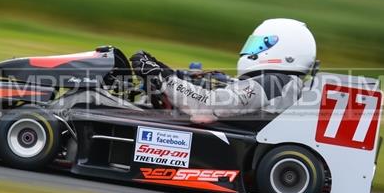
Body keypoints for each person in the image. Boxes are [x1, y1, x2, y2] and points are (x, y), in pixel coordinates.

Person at [130, 18, 317, 124]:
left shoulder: (272, 83)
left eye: (259, 45)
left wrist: (162, 78)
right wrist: (166, 72)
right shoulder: (282, 84)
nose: (251, 50)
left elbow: (209, 105)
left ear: (284, 50)